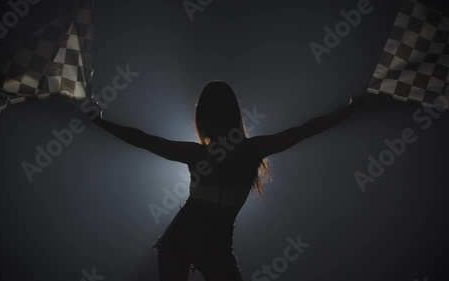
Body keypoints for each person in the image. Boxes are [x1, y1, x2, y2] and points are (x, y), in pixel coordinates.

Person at [92, 81, 363, 281]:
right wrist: (349, 111)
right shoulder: (247, 150)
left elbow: (143, 140)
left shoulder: (201, 153)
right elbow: (304, 131)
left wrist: (101, 123)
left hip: (196, 245)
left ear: (204, 119)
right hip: (196, 245)